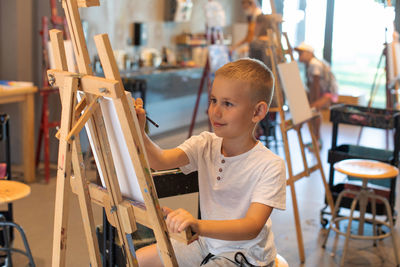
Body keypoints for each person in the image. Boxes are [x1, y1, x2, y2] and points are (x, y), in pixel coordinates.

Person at [136, 58, 286, 267]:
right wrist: (139, 131)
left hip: (246, 256)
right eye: (213, 100)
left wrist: (197, 225)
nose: (215, 111)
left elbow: (251, 226)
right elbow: (160, 161)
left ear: (257, 112)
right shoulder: (205, 144)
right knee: (137, 260)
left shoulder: (270, 165)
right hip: (206, 244)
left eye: (228, 104)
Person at [294, 43, 338, 147]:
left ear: (310, 53)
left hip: (327, 94)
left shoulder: (314, 64)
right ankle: (317, 139)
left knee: (312, 110)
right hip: (324, 93)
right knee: (314, 113)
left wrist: (314, 102)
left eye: (301, 53)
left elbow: (316, 85)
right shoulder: (311, 64)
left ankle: (314, 138)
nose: (300, 55)